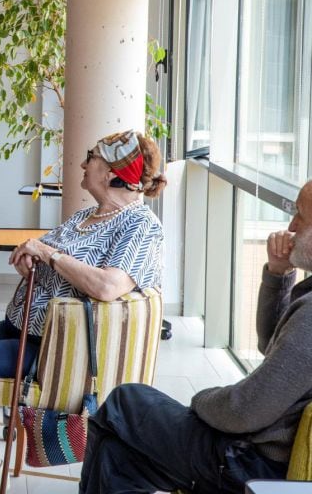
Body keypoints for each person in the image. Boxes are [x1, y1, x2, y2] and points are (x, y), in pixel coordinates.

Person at [0, 130, 167, 492]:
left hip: (55, 350)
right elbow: (46, 249)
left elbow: (108, 286)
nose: (81, 163)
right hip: (21, 326)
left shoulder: (140, 225)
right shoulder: (86, 216)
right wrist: (33, 254)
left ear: (110, 172)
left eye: (90, 156)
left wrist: (49, 255)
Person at [78, 181, 312, 494]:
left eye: (301, 216)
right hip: (255, 457)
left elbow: (242, 410)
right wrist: (277, 273)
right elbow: (271, 346)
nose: (291, 225)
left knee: (124, 400)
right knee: (117, 455)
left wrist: (200, 400)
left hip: (249, 465)